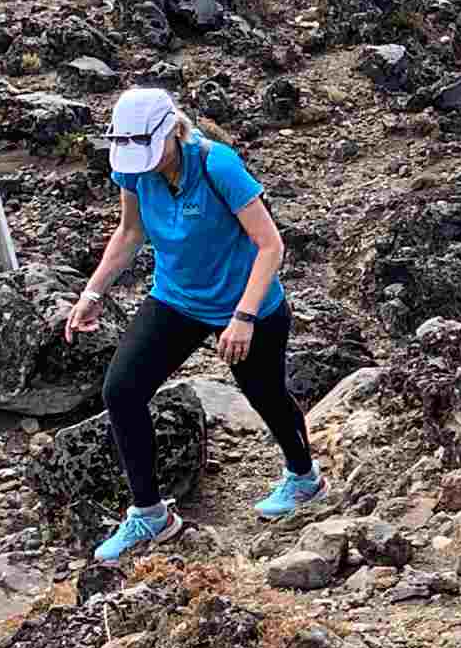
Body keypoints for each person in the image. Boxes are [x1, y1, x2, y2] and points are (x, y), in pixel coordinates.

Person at [66, 84, 325, 564]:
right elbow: (130, 232)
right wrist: (93, 292)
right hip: (177, 298)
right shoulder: (133, 168)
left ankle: (303, 476)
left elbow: (271, 245)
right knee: (121, 391)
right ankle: (150, 514)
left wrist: (244, 317)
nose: (140, 161)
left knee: (265, 394)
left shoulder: (216, 163)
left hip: (247, 303)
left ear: (172, 131)